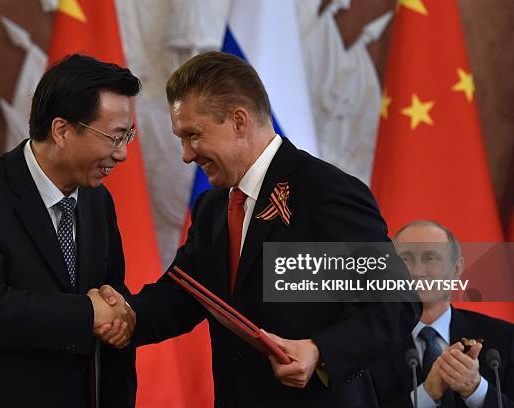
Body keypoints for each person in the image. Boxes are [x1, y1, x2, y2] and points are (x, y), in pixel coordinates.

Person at [98, 51, 420, 407]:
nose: (187, 155)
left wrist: (319, 352)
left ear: (238, 121)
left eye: (193, 135)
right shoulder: (213, 207)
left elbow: (397, 302)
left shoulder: (325, 193)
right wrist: (125, 315)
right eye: (181, 139)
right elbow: (184, 294)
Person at [0, 54, 137, 407]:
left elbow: (111, 302)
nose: (122, 155)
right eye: (114, 137)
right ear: (62, 130)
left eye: (128, 136)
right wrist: (86, 314)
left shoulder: (97, 201)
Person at [370, 220, 514, 407]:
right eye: (405, 259)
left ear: (456, 268)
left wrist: (476, 390)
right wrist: (426, 394)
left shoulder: (503, 338)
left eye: (430, 258)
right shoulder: (368, 344)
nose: (417, 272)